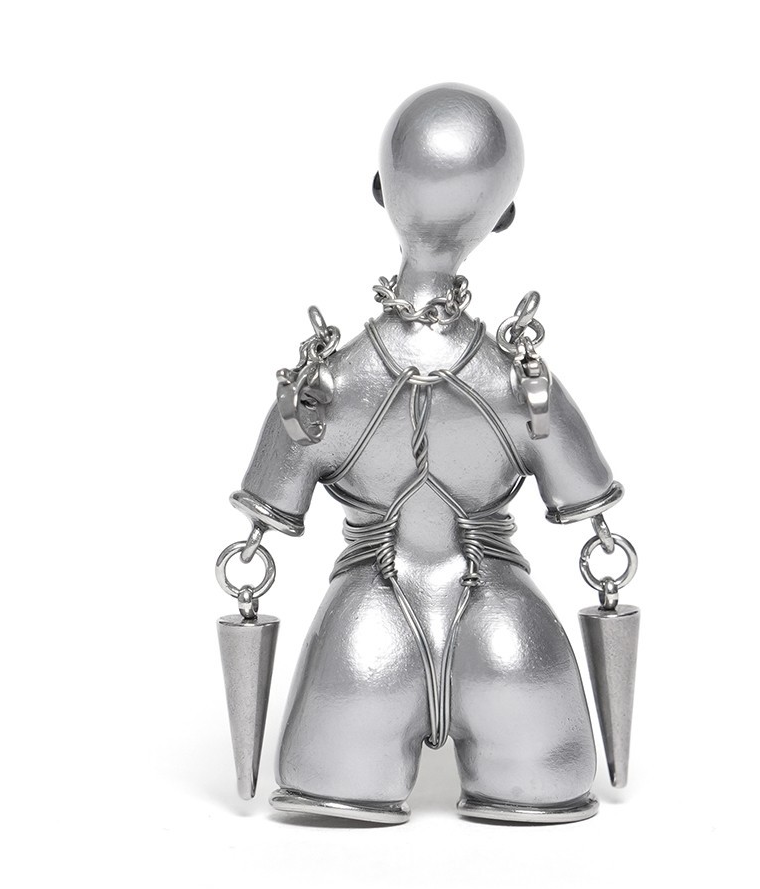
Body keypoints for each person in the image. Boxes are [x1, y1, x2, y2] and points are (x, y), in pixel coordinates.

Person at [233, 83, 621, 823]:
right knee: (547, 775)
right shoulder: (518, 384)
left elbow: (261, 525)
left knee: (329, 774)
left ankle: (337, 778)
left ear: (380, 189)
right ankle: (538, 781)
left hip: (364, 640)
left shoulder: (328, 385)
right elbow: (592, 515)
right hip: (507, 640)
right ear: (503, 216)